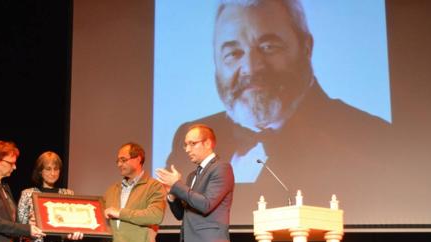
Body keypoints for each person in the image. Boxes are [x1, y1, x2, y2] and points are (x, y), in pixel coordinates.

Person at [165, 0, 393, 209]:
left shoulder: (369, 137)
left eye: (268, 47)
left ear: (306, 47)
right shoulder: (191, 137)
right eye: (233, 53)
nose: (251, 68)